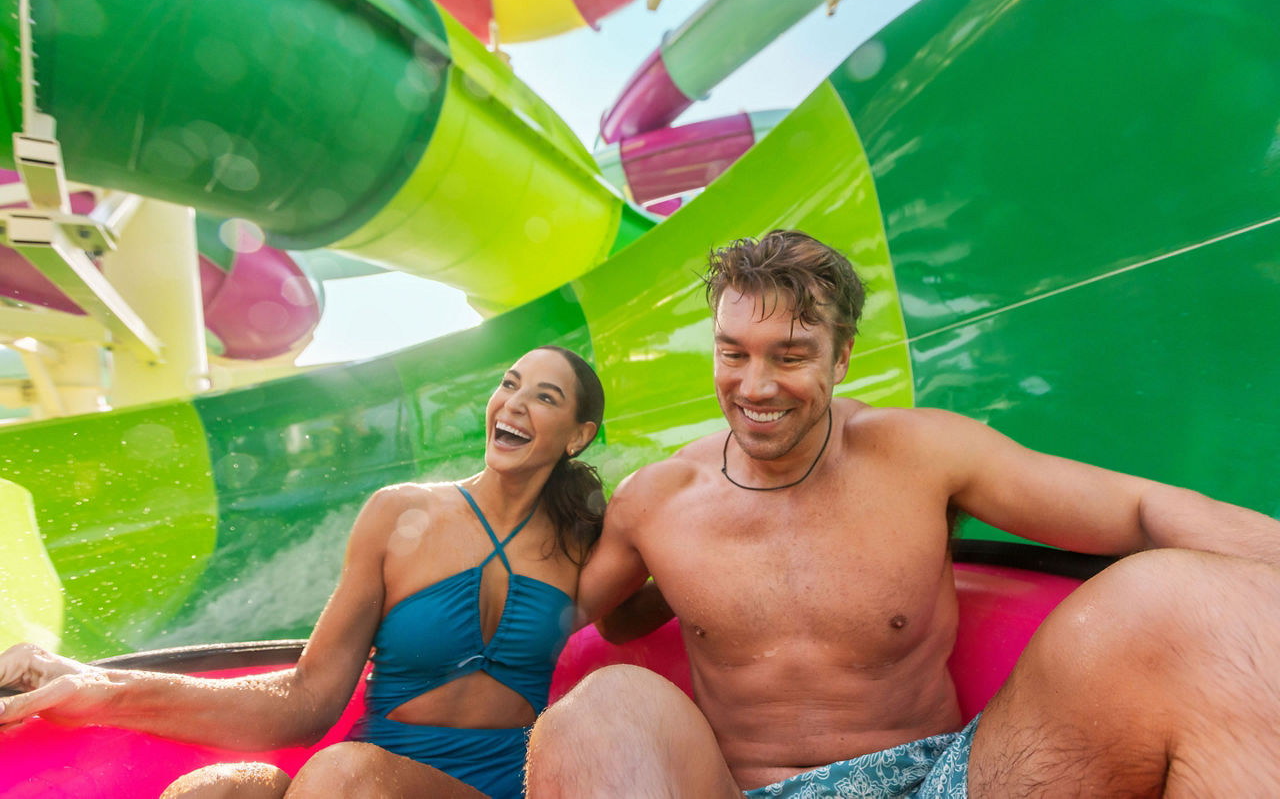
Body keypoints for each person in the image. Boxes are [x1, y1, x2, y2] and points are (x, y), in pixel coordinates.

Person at [527, 230, 1280, 798]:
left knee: (1198, 604)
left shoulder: (924, 453)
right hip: (747, 789)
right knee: (595, 712)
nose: (755, 386)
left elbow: (1142, 509)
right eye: (733, 354)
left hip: (945, 779)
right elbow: (575, 621)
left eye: (788, 356)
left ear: (841, 355)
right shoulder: (657, 501)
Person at [0, 346, 608, 799]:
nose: (514, 404)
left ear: (579, 436)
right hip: (365, 778)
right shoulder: (399, 513)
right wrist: (98, 688)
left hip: (492, 786)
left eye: (545, 397)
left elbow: (667, 601)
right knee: (222, 789)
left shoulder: (585, 541)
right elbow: (307, 700)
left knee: (343, 774)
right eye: (509, 383)